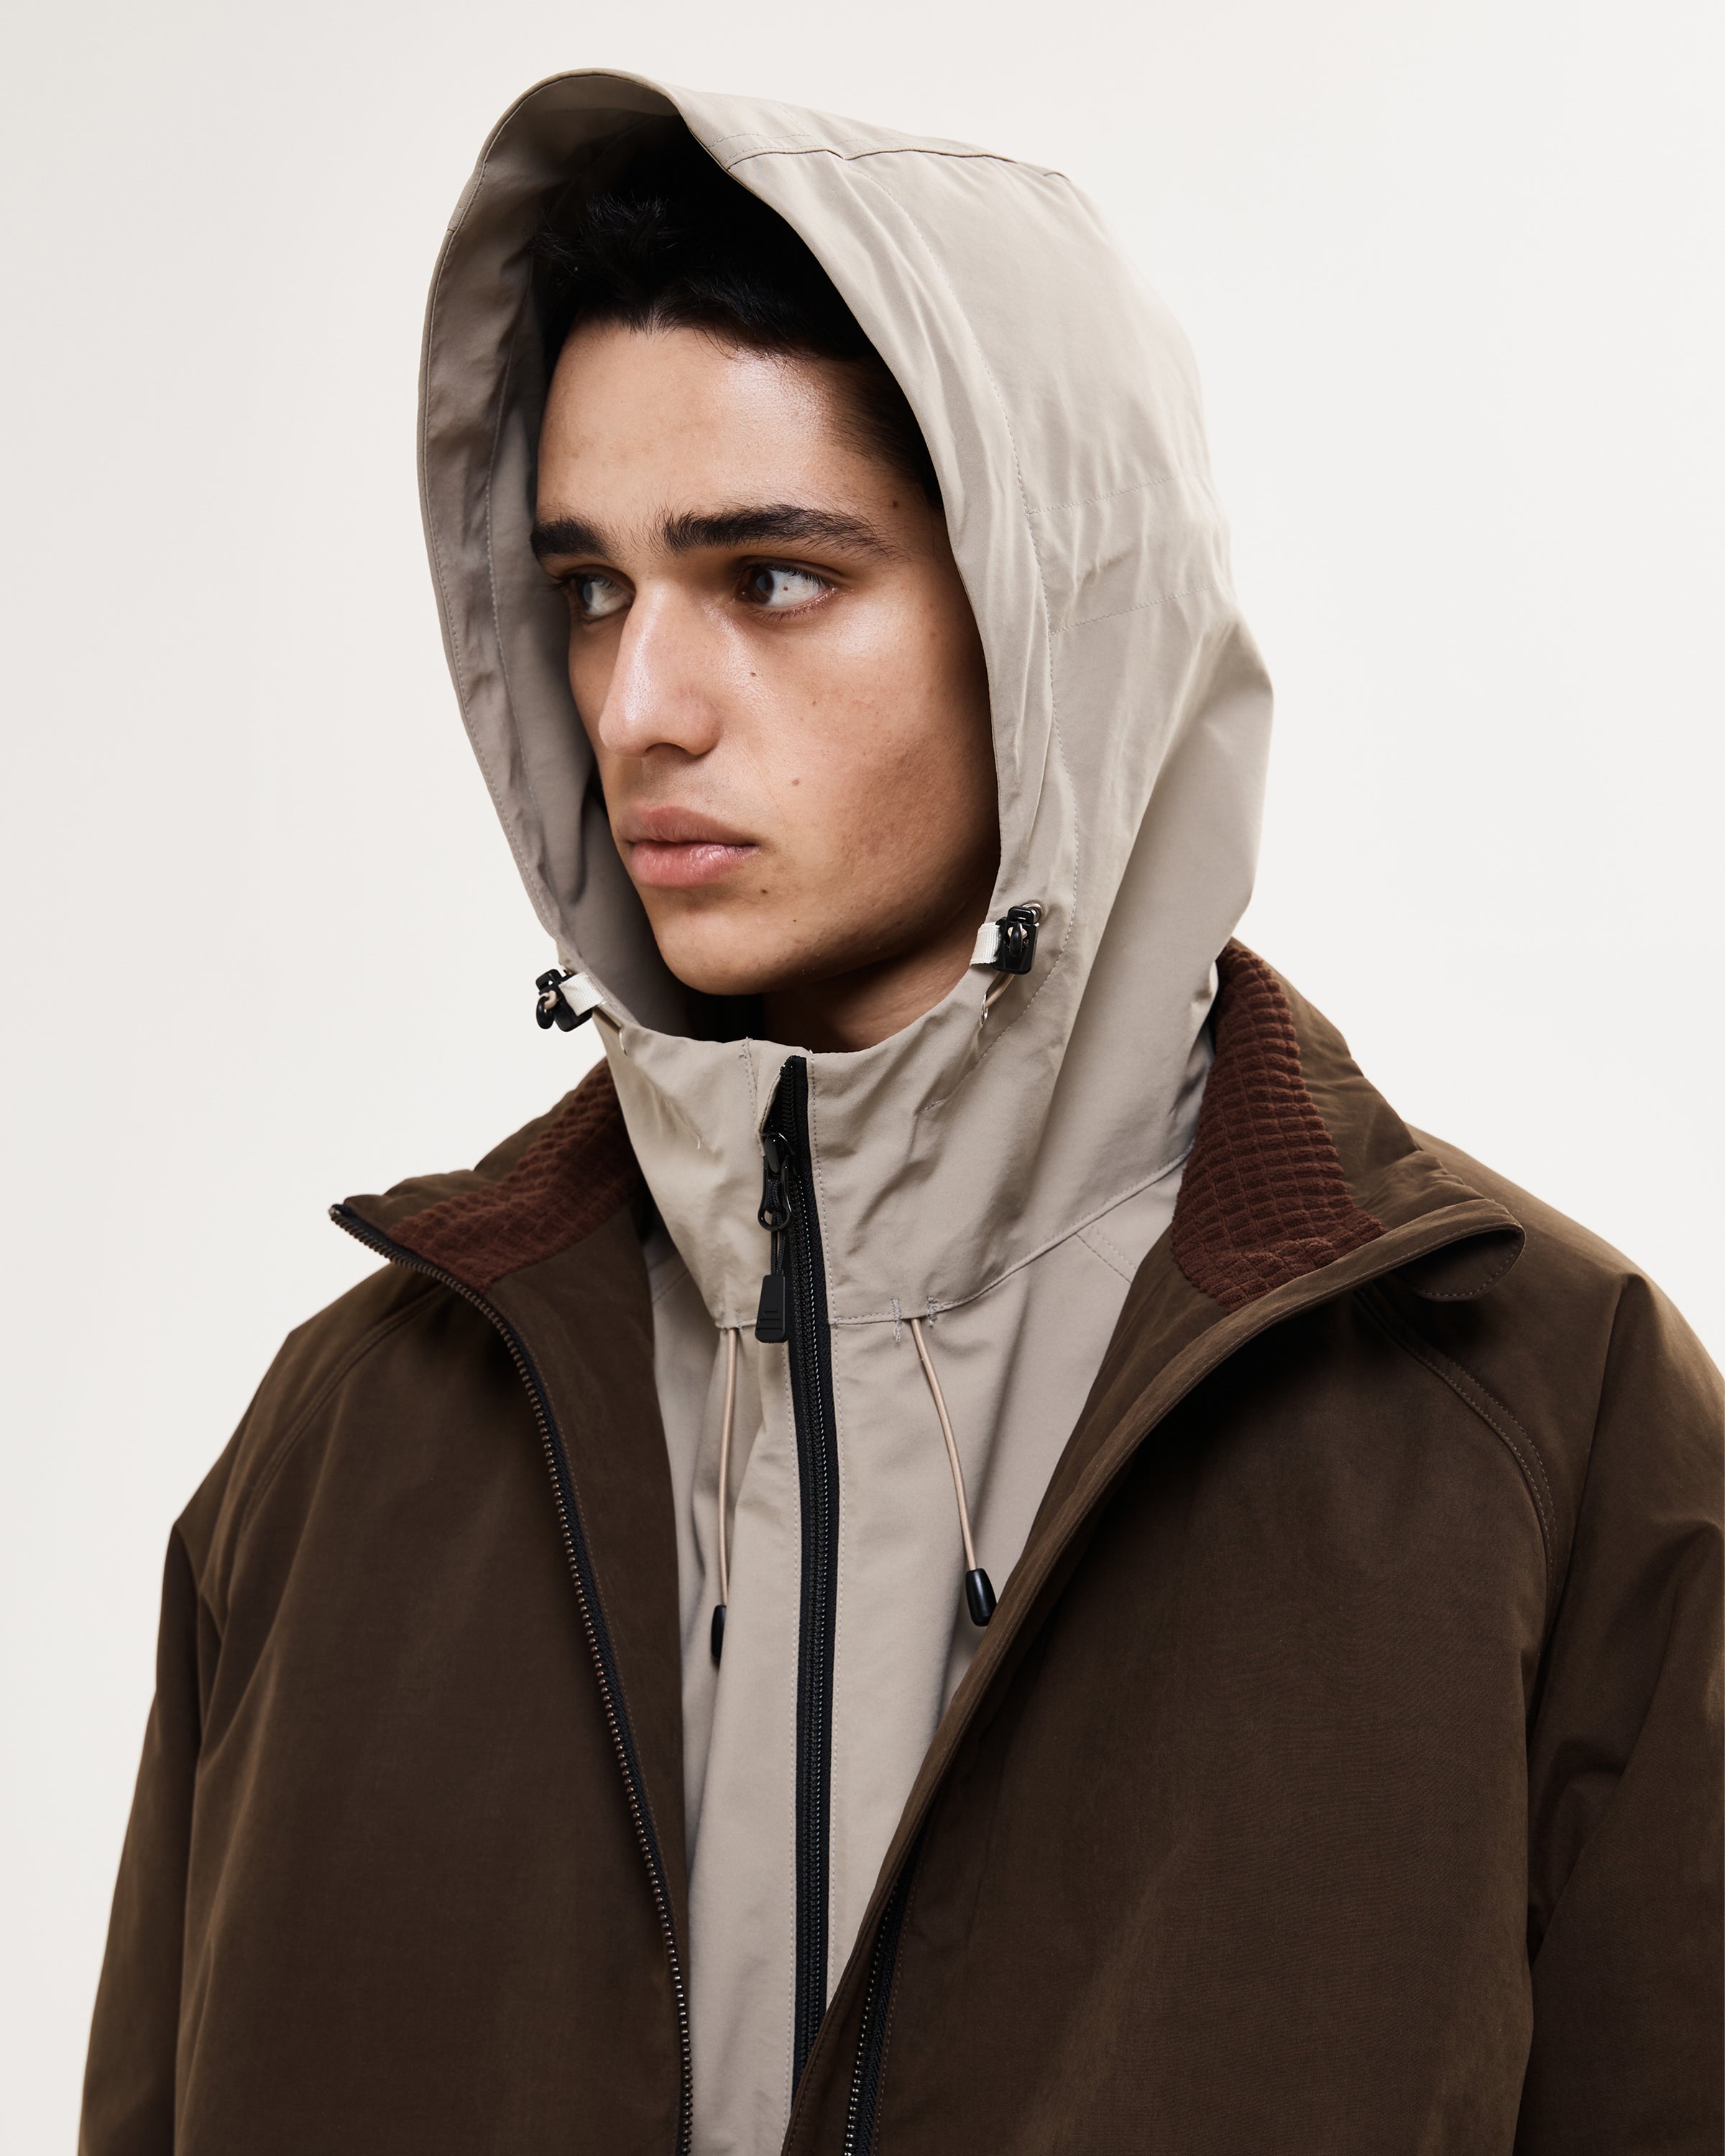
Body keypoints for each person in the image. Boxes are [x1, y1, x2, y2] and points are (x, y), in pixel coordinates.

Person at [80, 72, 1721, 2156]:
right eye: (591, 589)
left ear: (1052, 621)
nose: (640, 707)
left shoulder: (1538, 1426)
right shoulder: (343, 1457)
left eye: (769, 578)